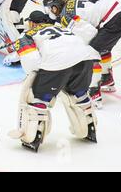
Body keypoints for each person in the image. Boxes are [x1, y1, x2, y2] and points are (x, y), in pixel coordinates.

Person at [9, 10, 100, 152]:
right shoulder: (61, 27)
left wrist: (44, 80)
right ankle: (89, 129)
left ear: (31, 23)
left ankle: (33, 136)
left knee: (37, 97)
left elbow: (31, 64)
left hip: (58, 62)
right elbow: (89, 34)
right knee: (79, 94)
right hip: (85, 59)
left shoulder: (27, 35)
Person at [43, 0, 121, 107]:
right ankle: (106, 78)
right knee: (103, 48)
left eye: (50, 8)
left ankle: (94, 92)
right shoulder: (71, 5)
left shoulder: (66, 16)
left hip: (116, 17)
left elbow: (90, 33)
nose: (50, 11)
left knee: (91, 53)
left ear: (56, 6)